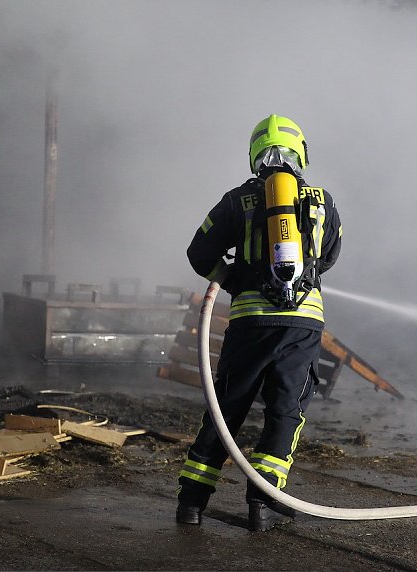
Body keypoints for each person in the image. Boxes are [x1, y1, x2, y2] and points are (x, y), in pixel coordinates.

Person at [177, 114, 342, 531]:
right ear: (300, 152)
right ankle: (263, 503)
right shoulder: (323, 201)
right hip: (302, 325)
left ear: (255, 154)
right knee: (286, 411)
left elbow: (199, 254)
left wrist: (234, 278)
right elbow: (330, 255)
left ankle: (192, 503)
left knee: (226, 409)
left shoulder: (235, 200)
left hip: (249, 323)